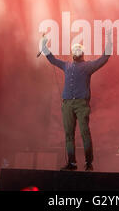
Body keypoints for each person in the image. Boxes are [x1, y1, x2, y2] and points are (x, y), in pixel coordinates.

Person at [41, 30, 112, 171]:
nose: (77, 50)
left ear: (82, 53)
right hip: (67, 103)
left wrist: (109, 39)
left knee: (84, 132)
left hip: (81, 103)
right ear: (72, 53)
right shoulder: (66, 65)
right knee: (68, 134)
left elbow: (105, 57)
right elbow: (51, 59)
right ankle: (72, 163)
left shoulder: (88, 66)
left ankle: (88, 163)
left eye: (79, 49)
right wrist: (44, 43)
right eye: (75, 49)